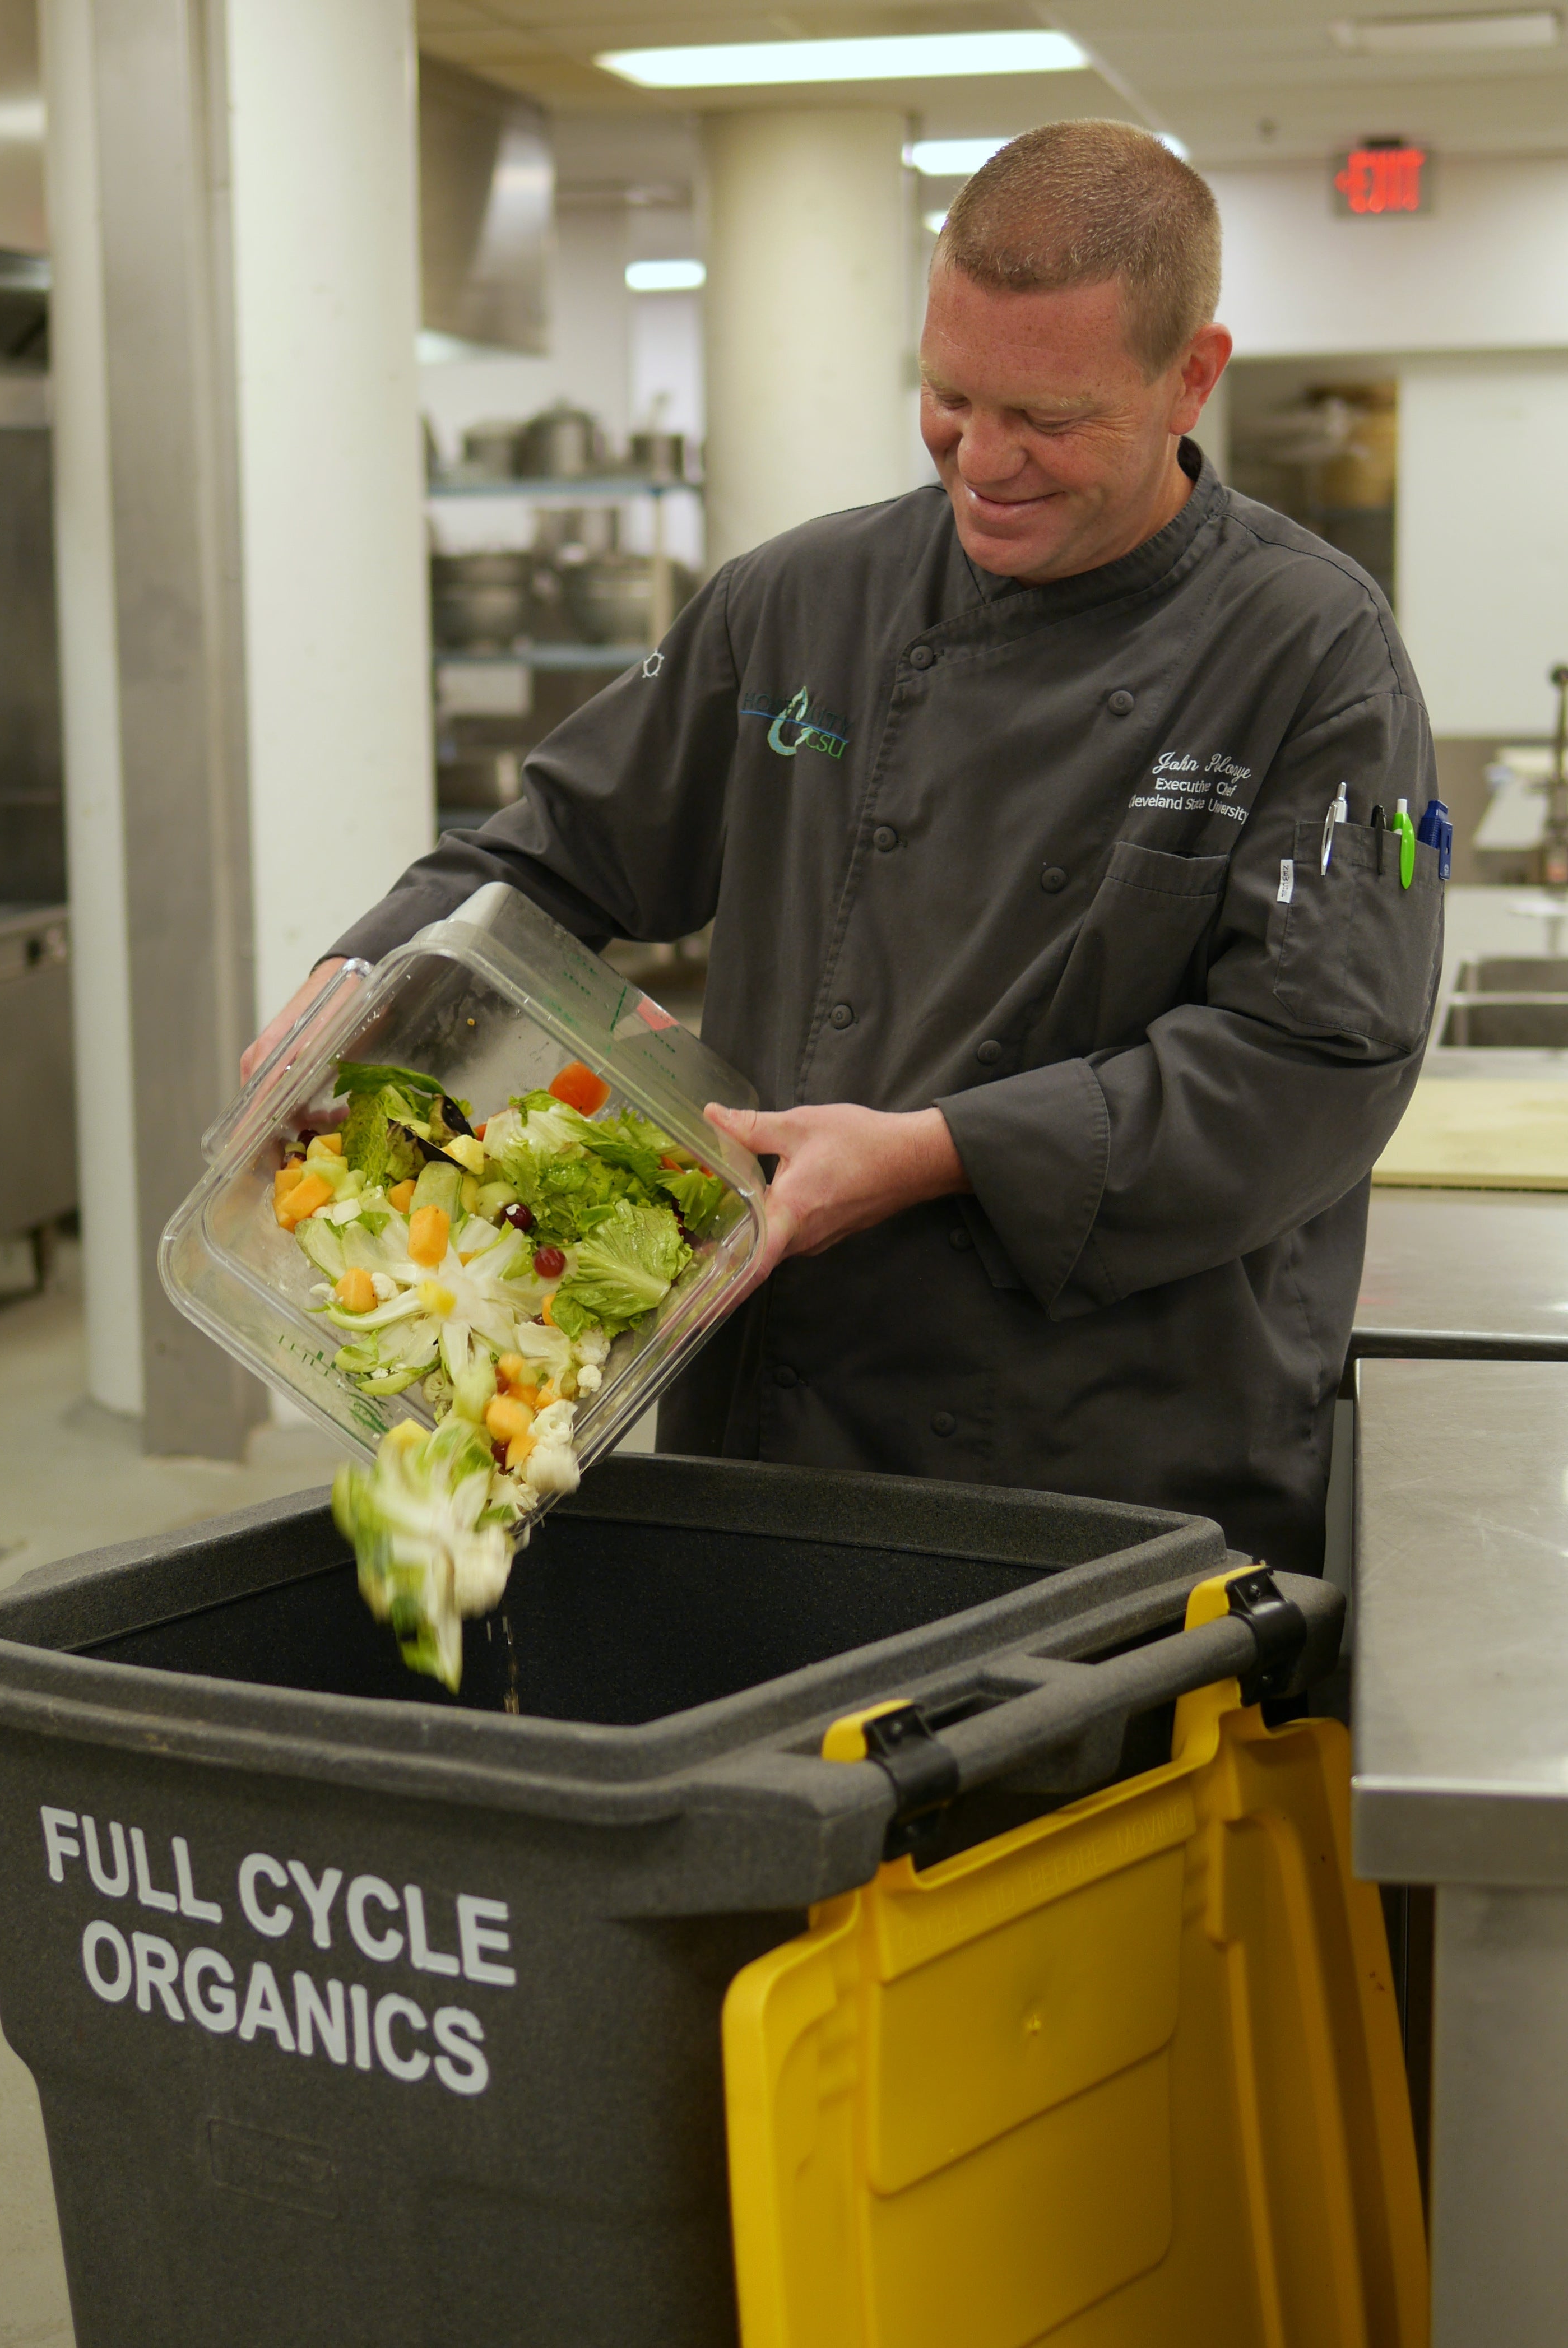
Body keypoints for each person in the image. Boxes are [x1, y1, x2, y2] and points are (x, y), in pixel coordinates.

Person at [244, 120, 1442, 1576]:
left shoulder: (1315, 657)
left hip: (1111, 1460)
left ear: (1193, 376)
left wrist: (937, 1156)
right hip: (776, 1414)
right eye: (948, 397)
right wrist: (370, 979)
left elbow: (1321, 1064)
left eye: (1048, 420)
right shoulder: (800, 603)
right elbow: (561, 846)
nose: (983, 460)